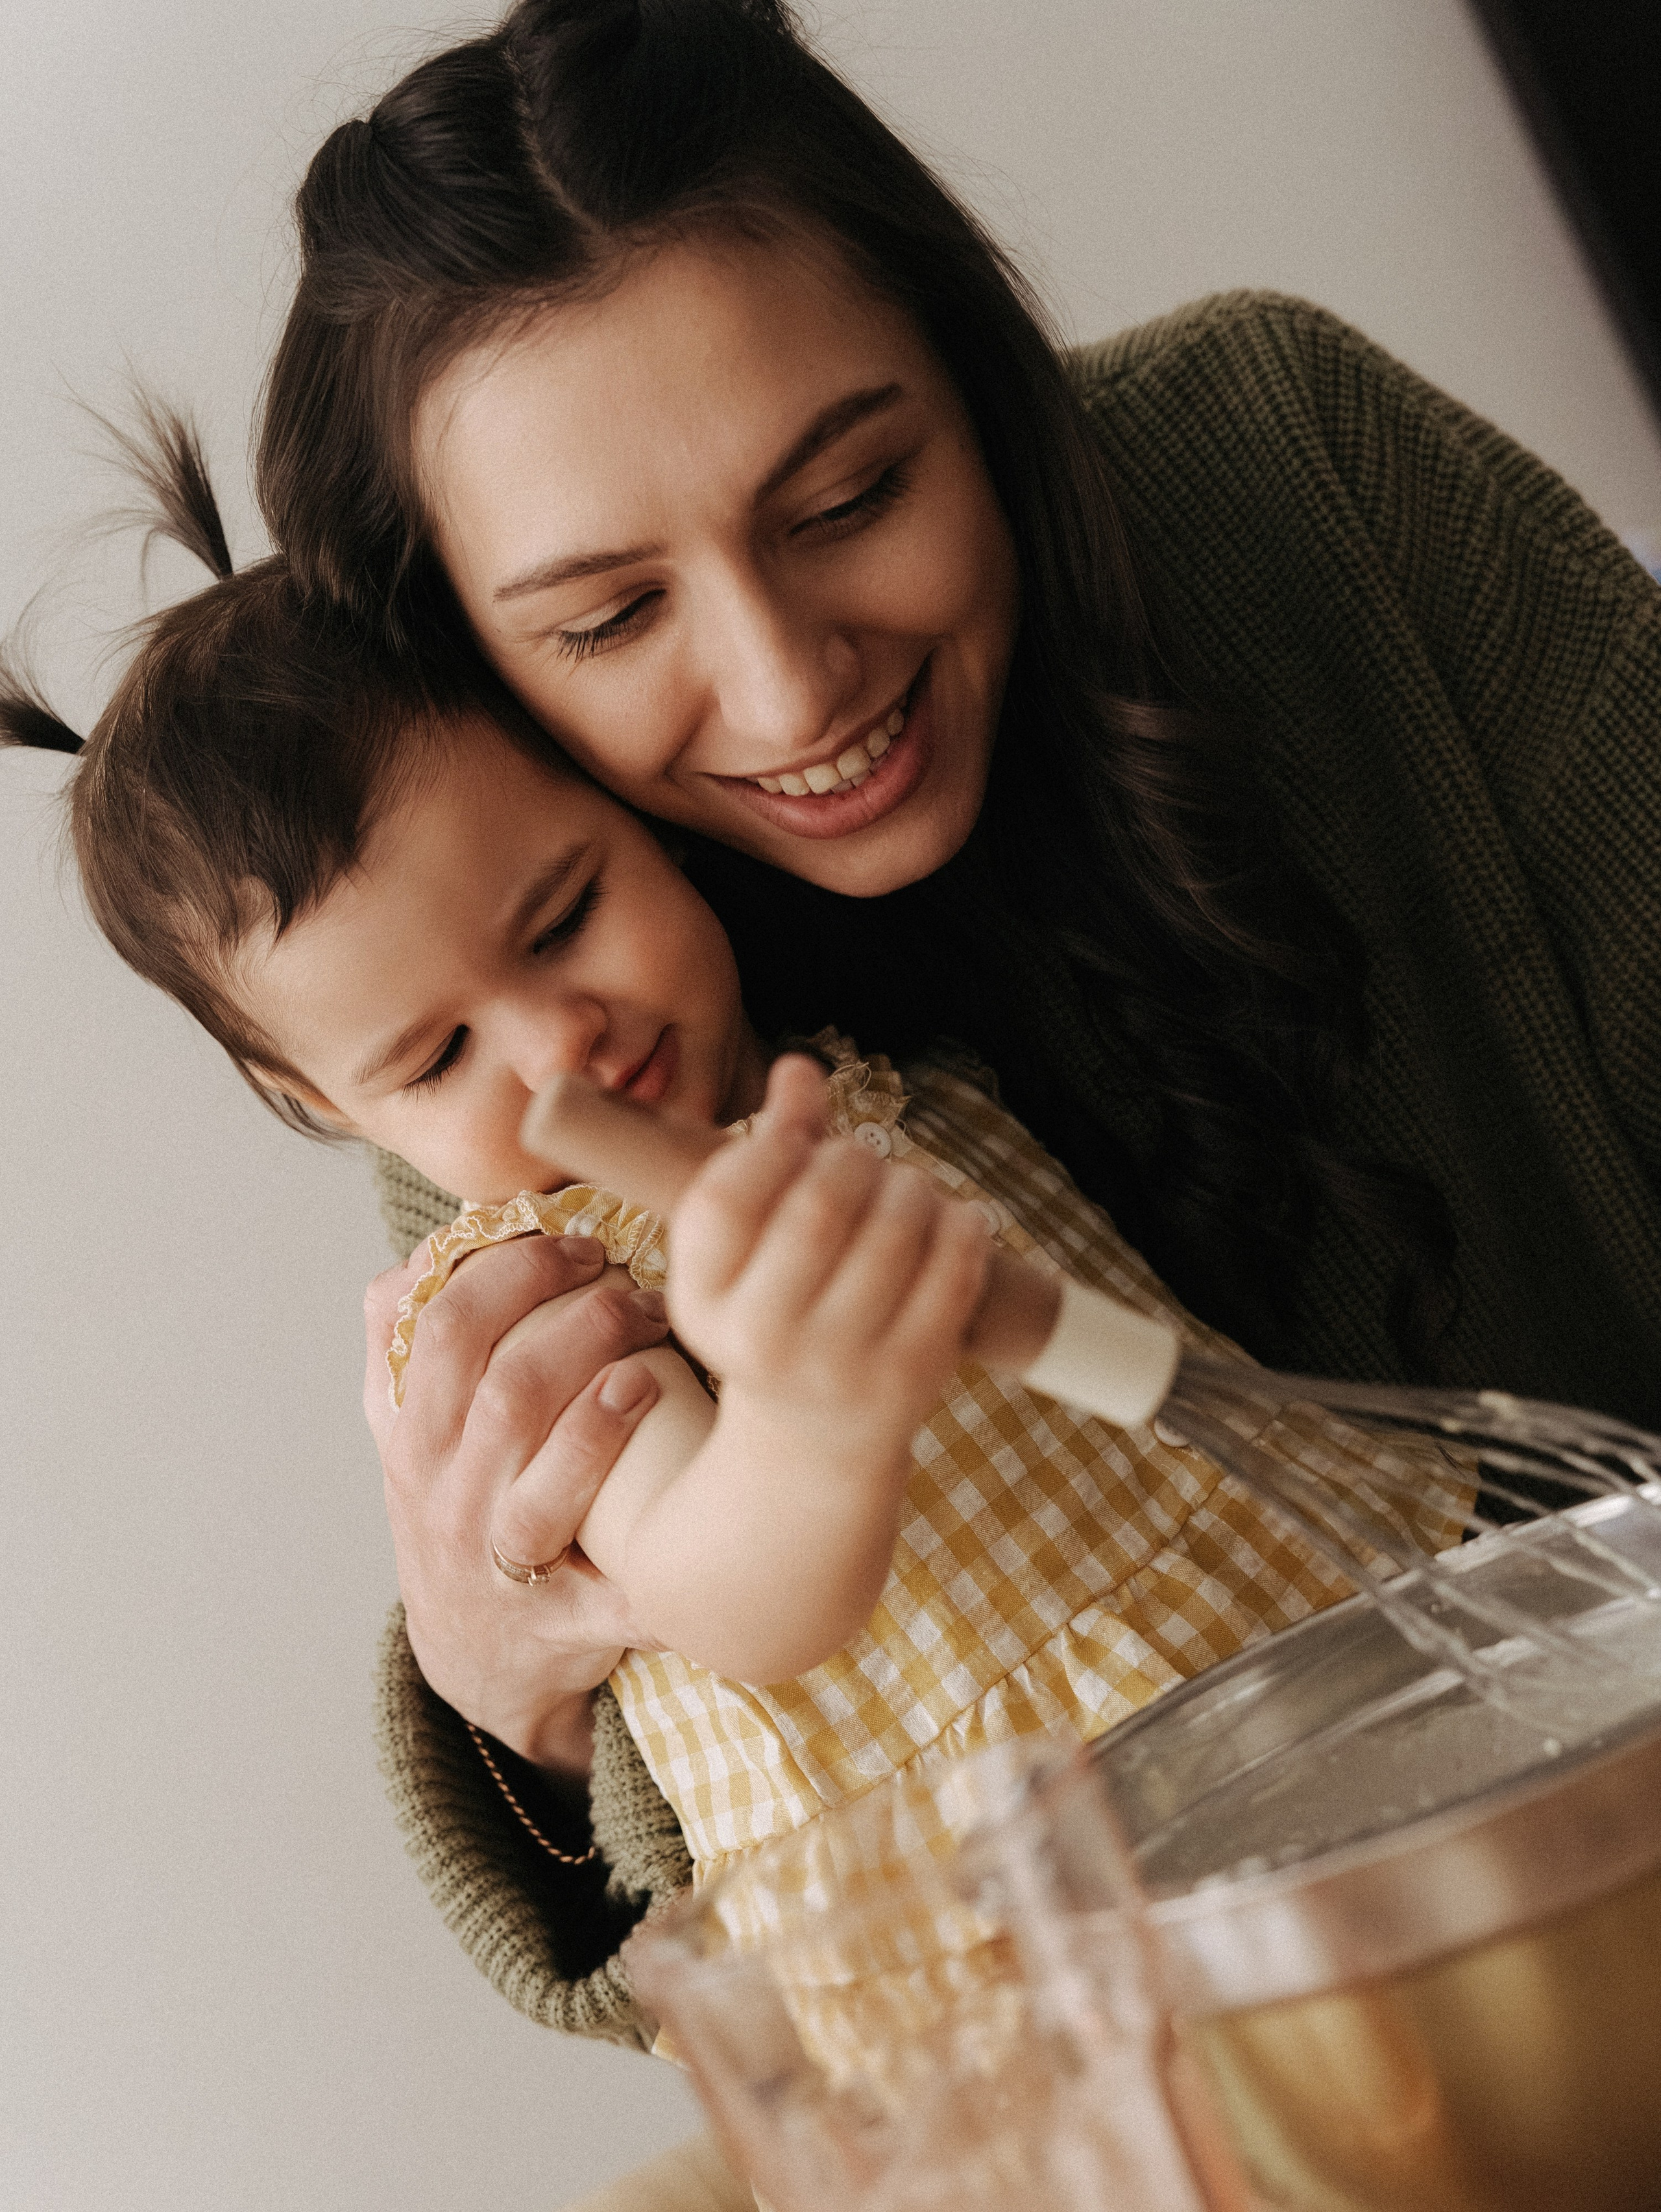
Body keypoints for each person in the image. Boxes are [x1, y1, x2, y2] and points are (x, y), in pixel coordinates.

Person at [254, 0, 1659, 2042]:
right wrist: (518, 1696)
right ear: (472, 659)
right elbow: (710, 1912)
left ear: (974, 380)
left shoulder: (1285, 468)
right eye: (611, 618)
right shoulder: (540, 1024)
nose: (785, 683)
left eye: (849, 495)